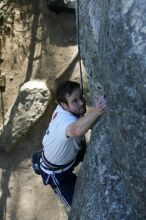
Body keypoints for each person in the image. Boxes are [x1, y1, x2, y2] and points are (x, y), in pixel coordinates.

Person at [32, 80, 106, 208]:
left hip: (66, 153)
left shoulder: (63, 108)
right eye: (75, 101)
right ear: (64, 105)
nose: (82, 102)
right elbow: (76, 130)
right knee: (79, 205)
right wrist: (97, 110)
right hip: (57, 173)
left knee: (82, 145)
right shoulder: (65, 121)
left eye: (81, 96)